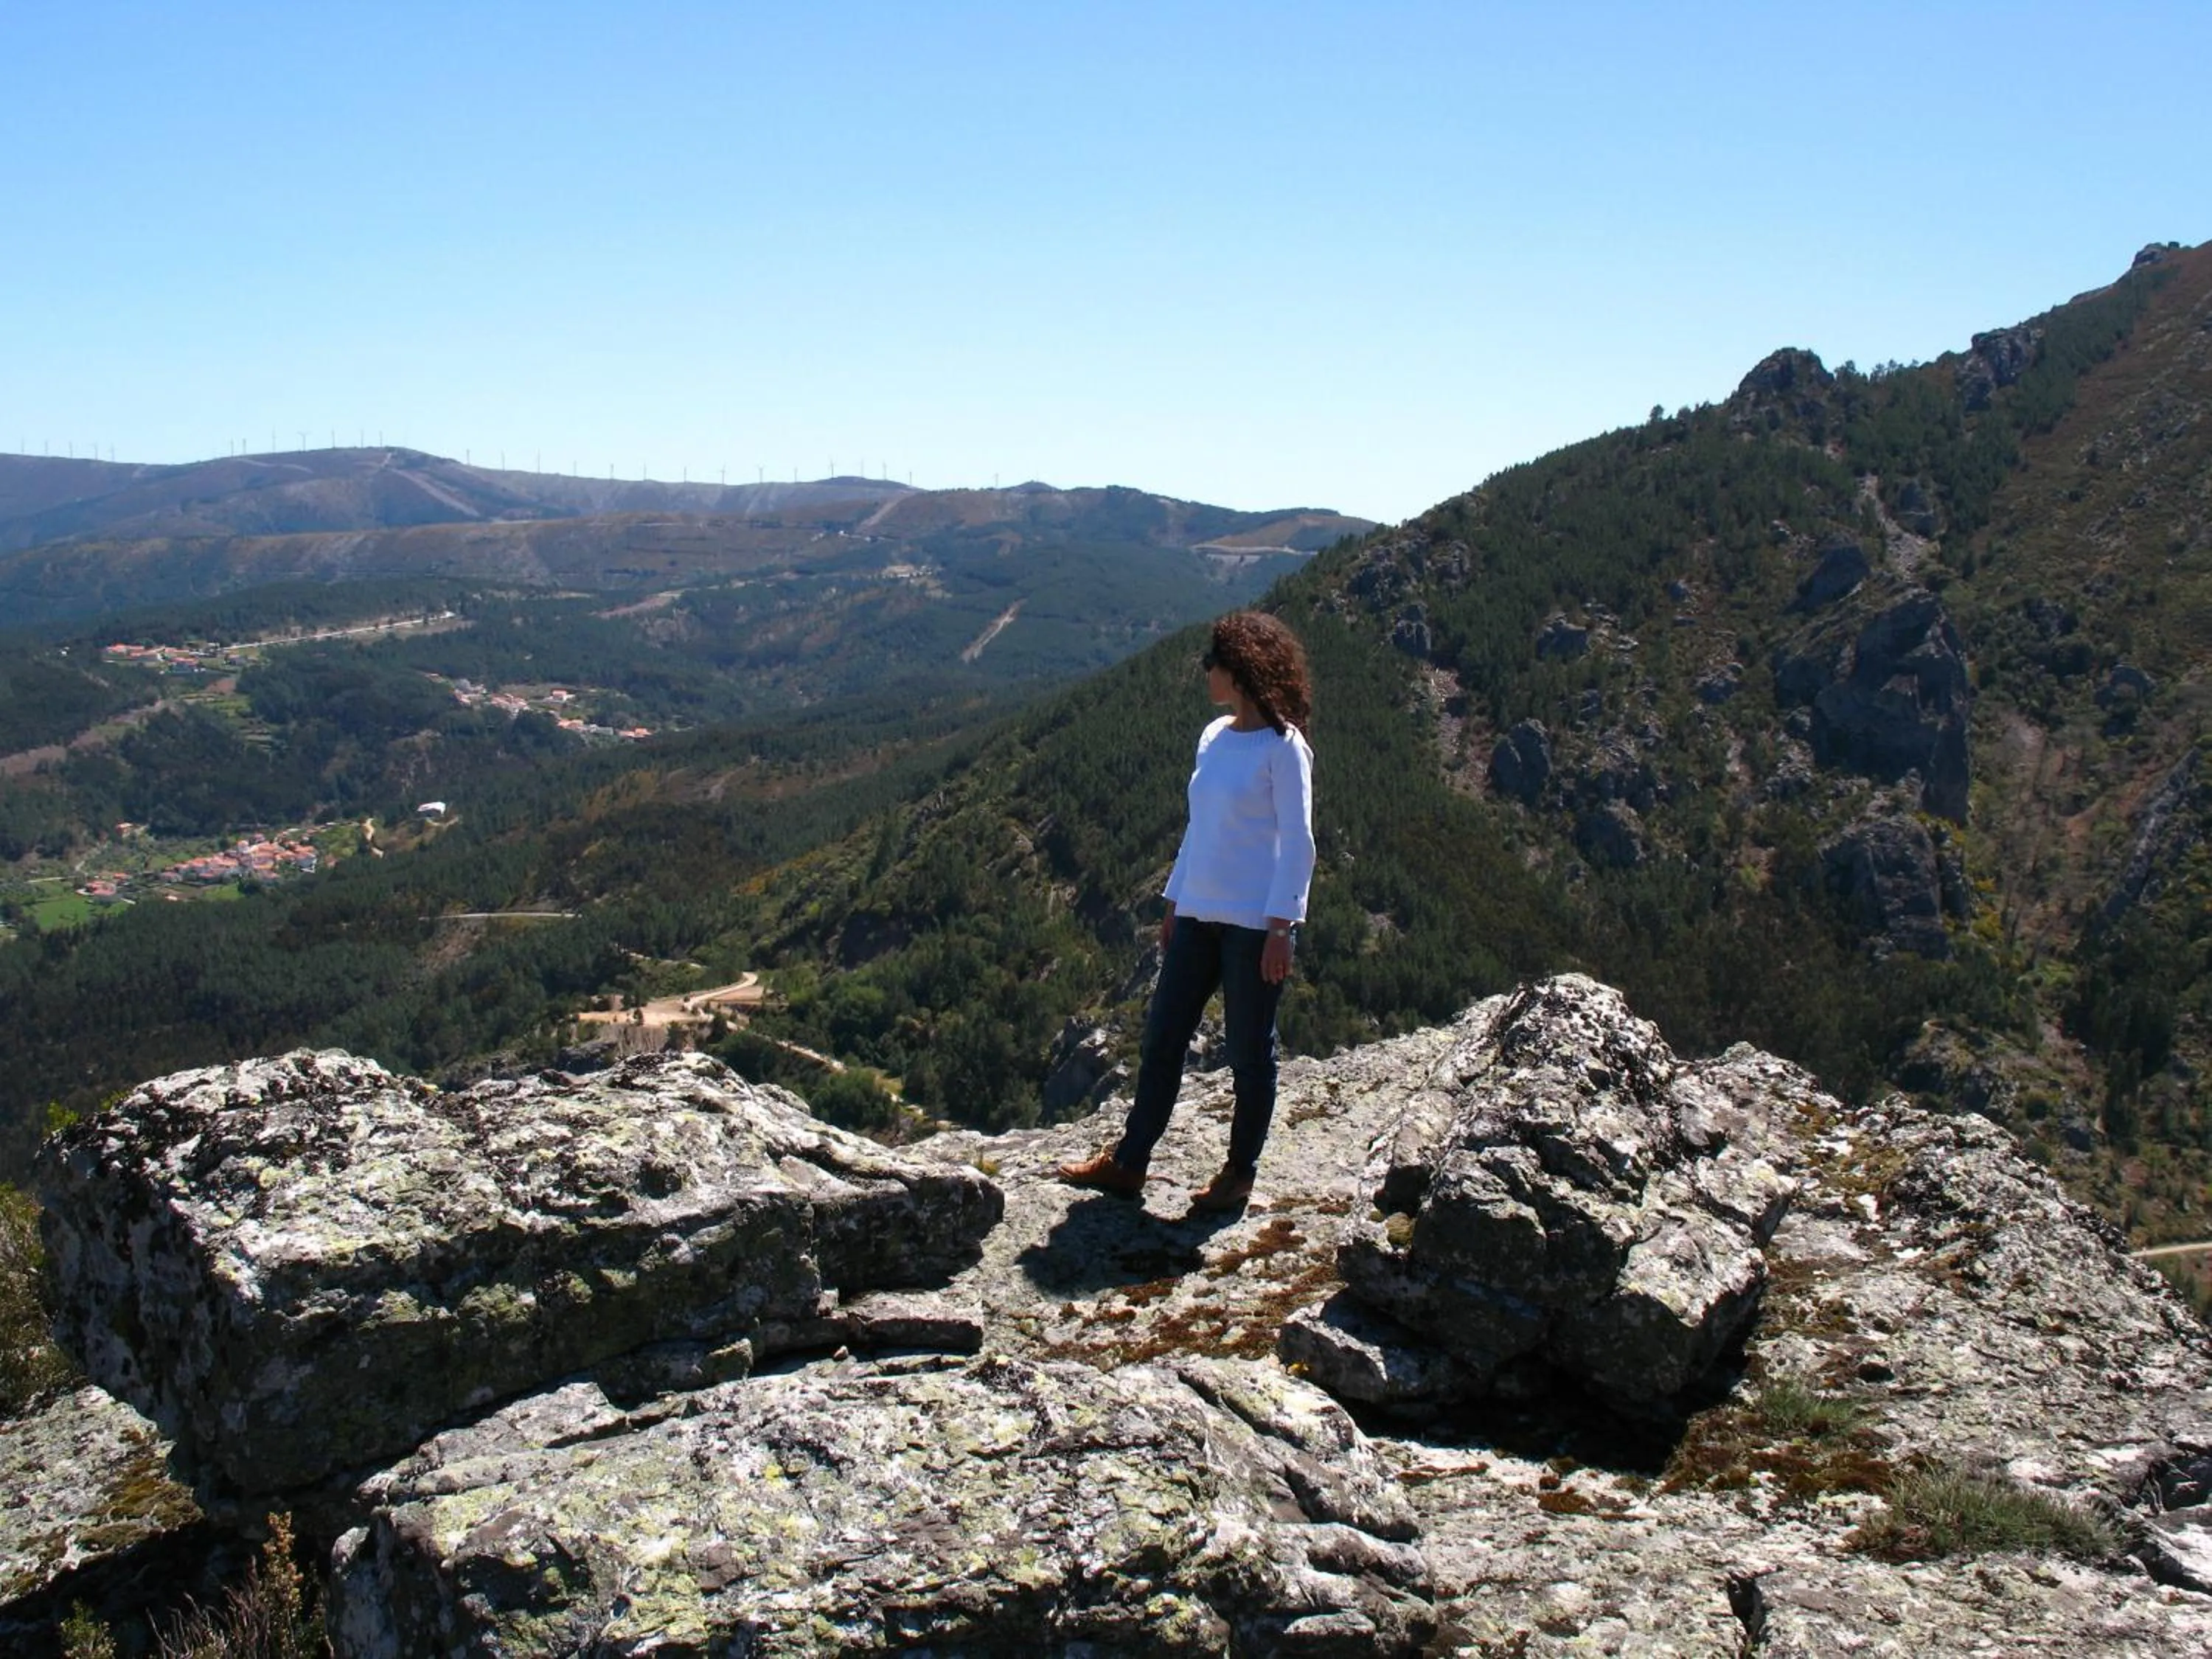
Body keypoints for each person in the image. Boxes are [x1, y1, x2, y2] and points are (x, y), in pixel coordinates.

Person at [1058, 611, 1315, 1213]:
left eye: (1216, 661)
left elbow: (1299, 841)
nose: (1207, 670)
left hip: (1255, 926)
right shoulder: (1213, 736)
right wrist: (1176, 899)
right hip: (1199, 916)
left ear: (1242, 669)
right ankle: (1129, 1163)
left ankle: (1239, 1174)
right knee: (1163, 1039)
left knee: (1250, 1054)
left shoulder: (1285, 748)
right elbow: (1200, 829)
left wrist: (1283, 927)